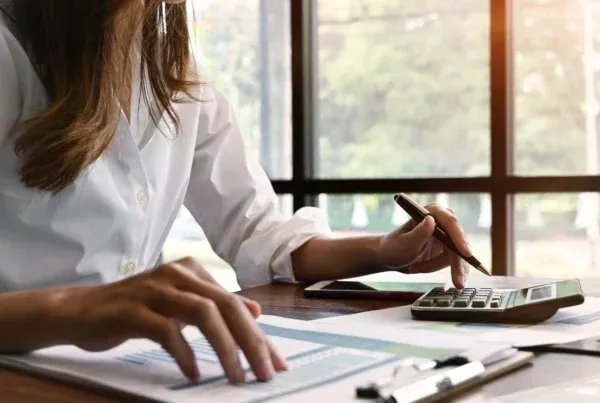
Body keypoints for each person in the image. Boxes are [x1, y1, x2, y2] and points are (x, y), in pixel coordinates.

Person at [0, 0, 472, 385]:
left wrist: (384, 249)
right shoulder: (8, 52)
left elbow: (259, 231)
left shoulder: (174, 75)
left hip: (139, 374)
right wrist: (77, 309)